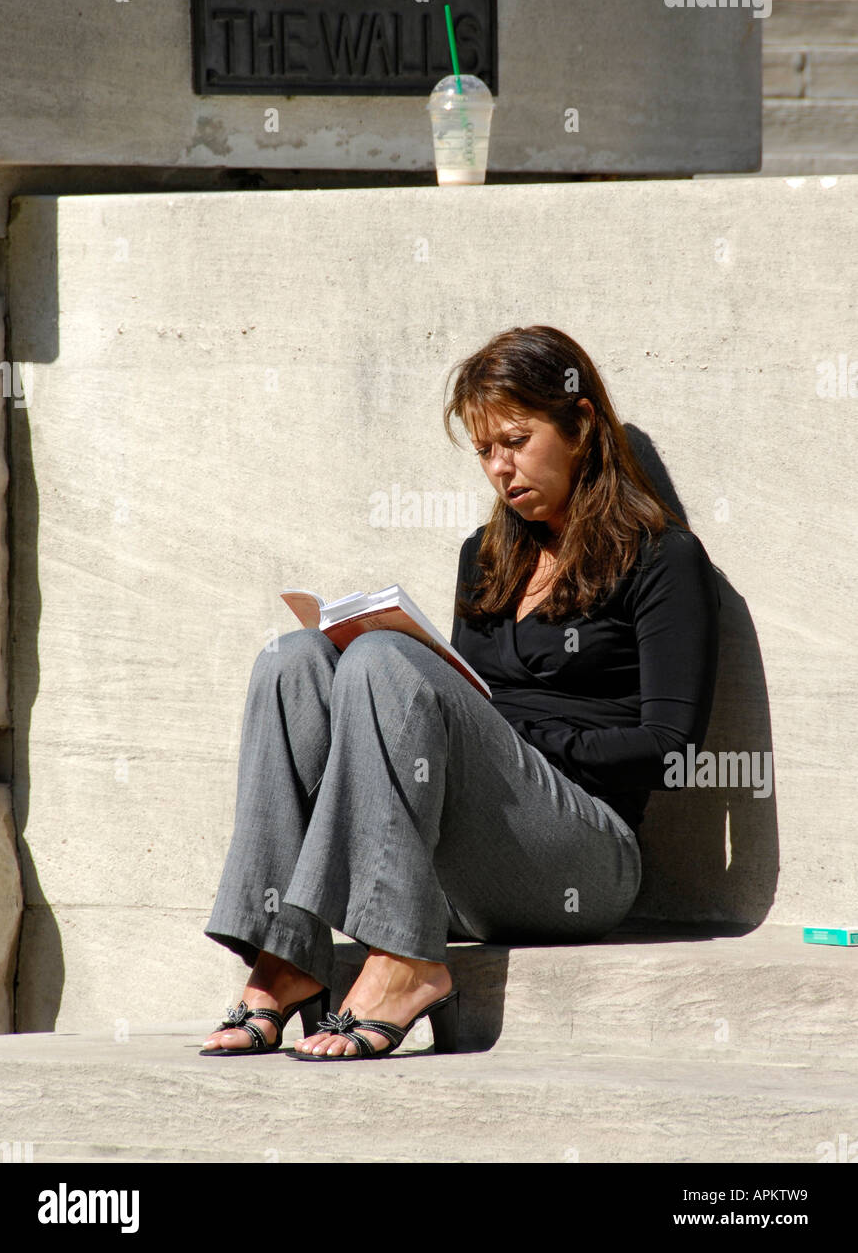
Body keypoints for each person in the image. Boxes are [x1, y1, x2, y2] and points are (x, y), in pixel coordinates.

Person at [199, 324, 720, 1061]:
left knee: (383, 658)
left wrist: (519, 740)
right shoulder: (486, 557)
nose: (501, 468)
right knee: (291, 658)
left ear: (580, 426)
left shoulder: (665, 557)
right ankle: (284, 956)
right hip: (460, 863)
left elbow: (673, 751)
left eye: (516, 439)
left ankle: (409, 963)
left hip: (582, 856)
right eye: (484, 451)